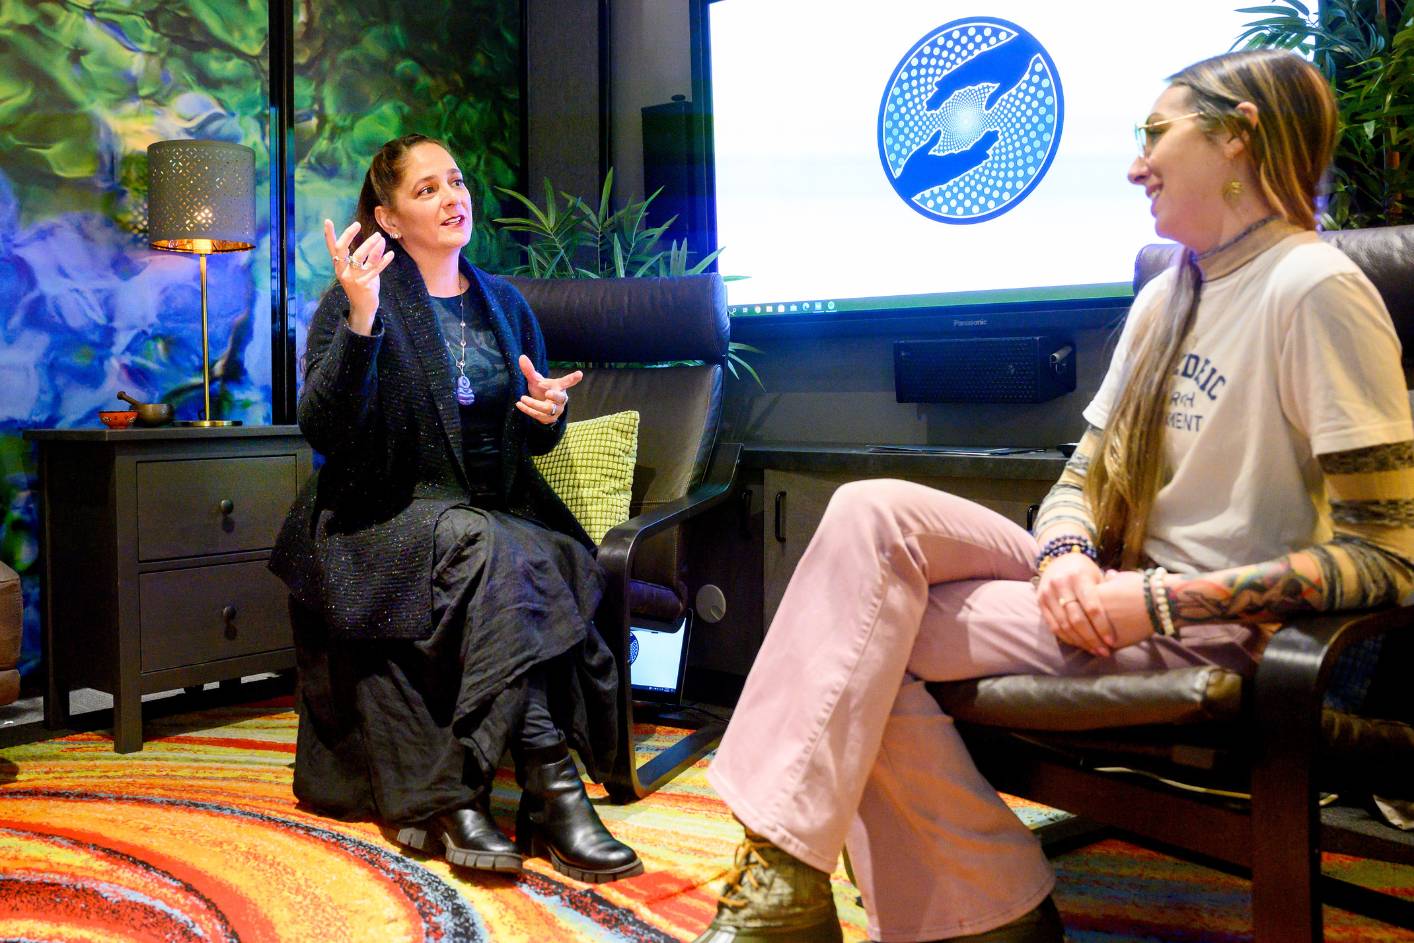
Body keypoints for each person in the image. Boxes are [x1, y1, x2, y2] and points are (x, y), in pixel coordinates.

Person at [692, 49, 1414, 943]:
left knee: (857, 633)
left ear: (1237, 138)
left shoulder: (1317, 290)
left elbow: (1386, 560)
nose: (1136, 162)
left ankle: (977, 905)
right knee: (868, 518)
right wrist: (1069, 553)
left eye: (1157, 133)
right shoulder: (1168, 296)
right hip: (1103, 580)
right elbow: (1081, 475)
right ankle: (802, 878)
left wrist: (1149, 600)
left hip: (1210, 625)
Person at [269, 133, 643, 883]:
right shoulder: (354, 301)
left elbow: (531, 443)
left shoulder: (504, 304)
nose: (453, 197)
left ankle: (486, 795)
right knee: (496, 548)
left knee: (549, 553)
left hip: (484, 514)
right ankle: (552, 786)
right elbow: (327, 430)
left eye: (457, 182)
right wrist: (363, 321)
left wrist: (546, 416)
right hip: (379, 516)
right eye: (427, 189)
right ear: (389, 217)